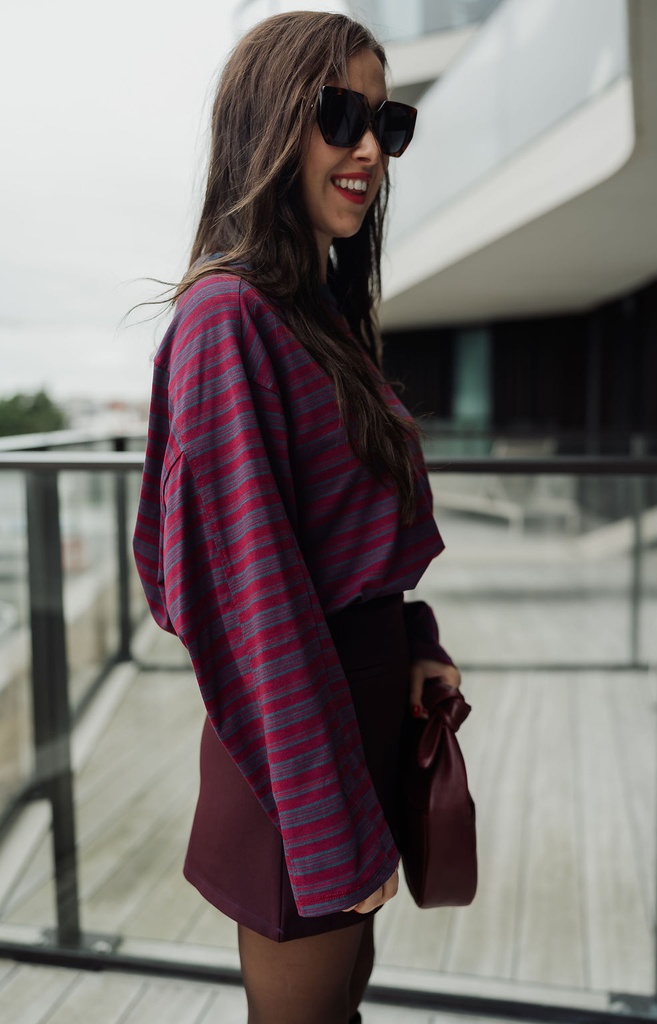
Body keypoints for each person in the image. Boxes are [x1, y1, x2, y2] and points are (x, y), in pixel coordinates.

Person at [133, 11, 460, 1024]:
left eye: (384, 122)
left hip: (345, 723)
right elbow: (251, 597)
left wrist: (411, 640)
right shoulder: (224, 318)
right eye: (339, 114)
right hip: (295, 760)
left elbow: (341, 538)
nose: (367, 146)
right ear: (269, 123)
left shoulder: (307, 313)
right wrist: (330, 832)